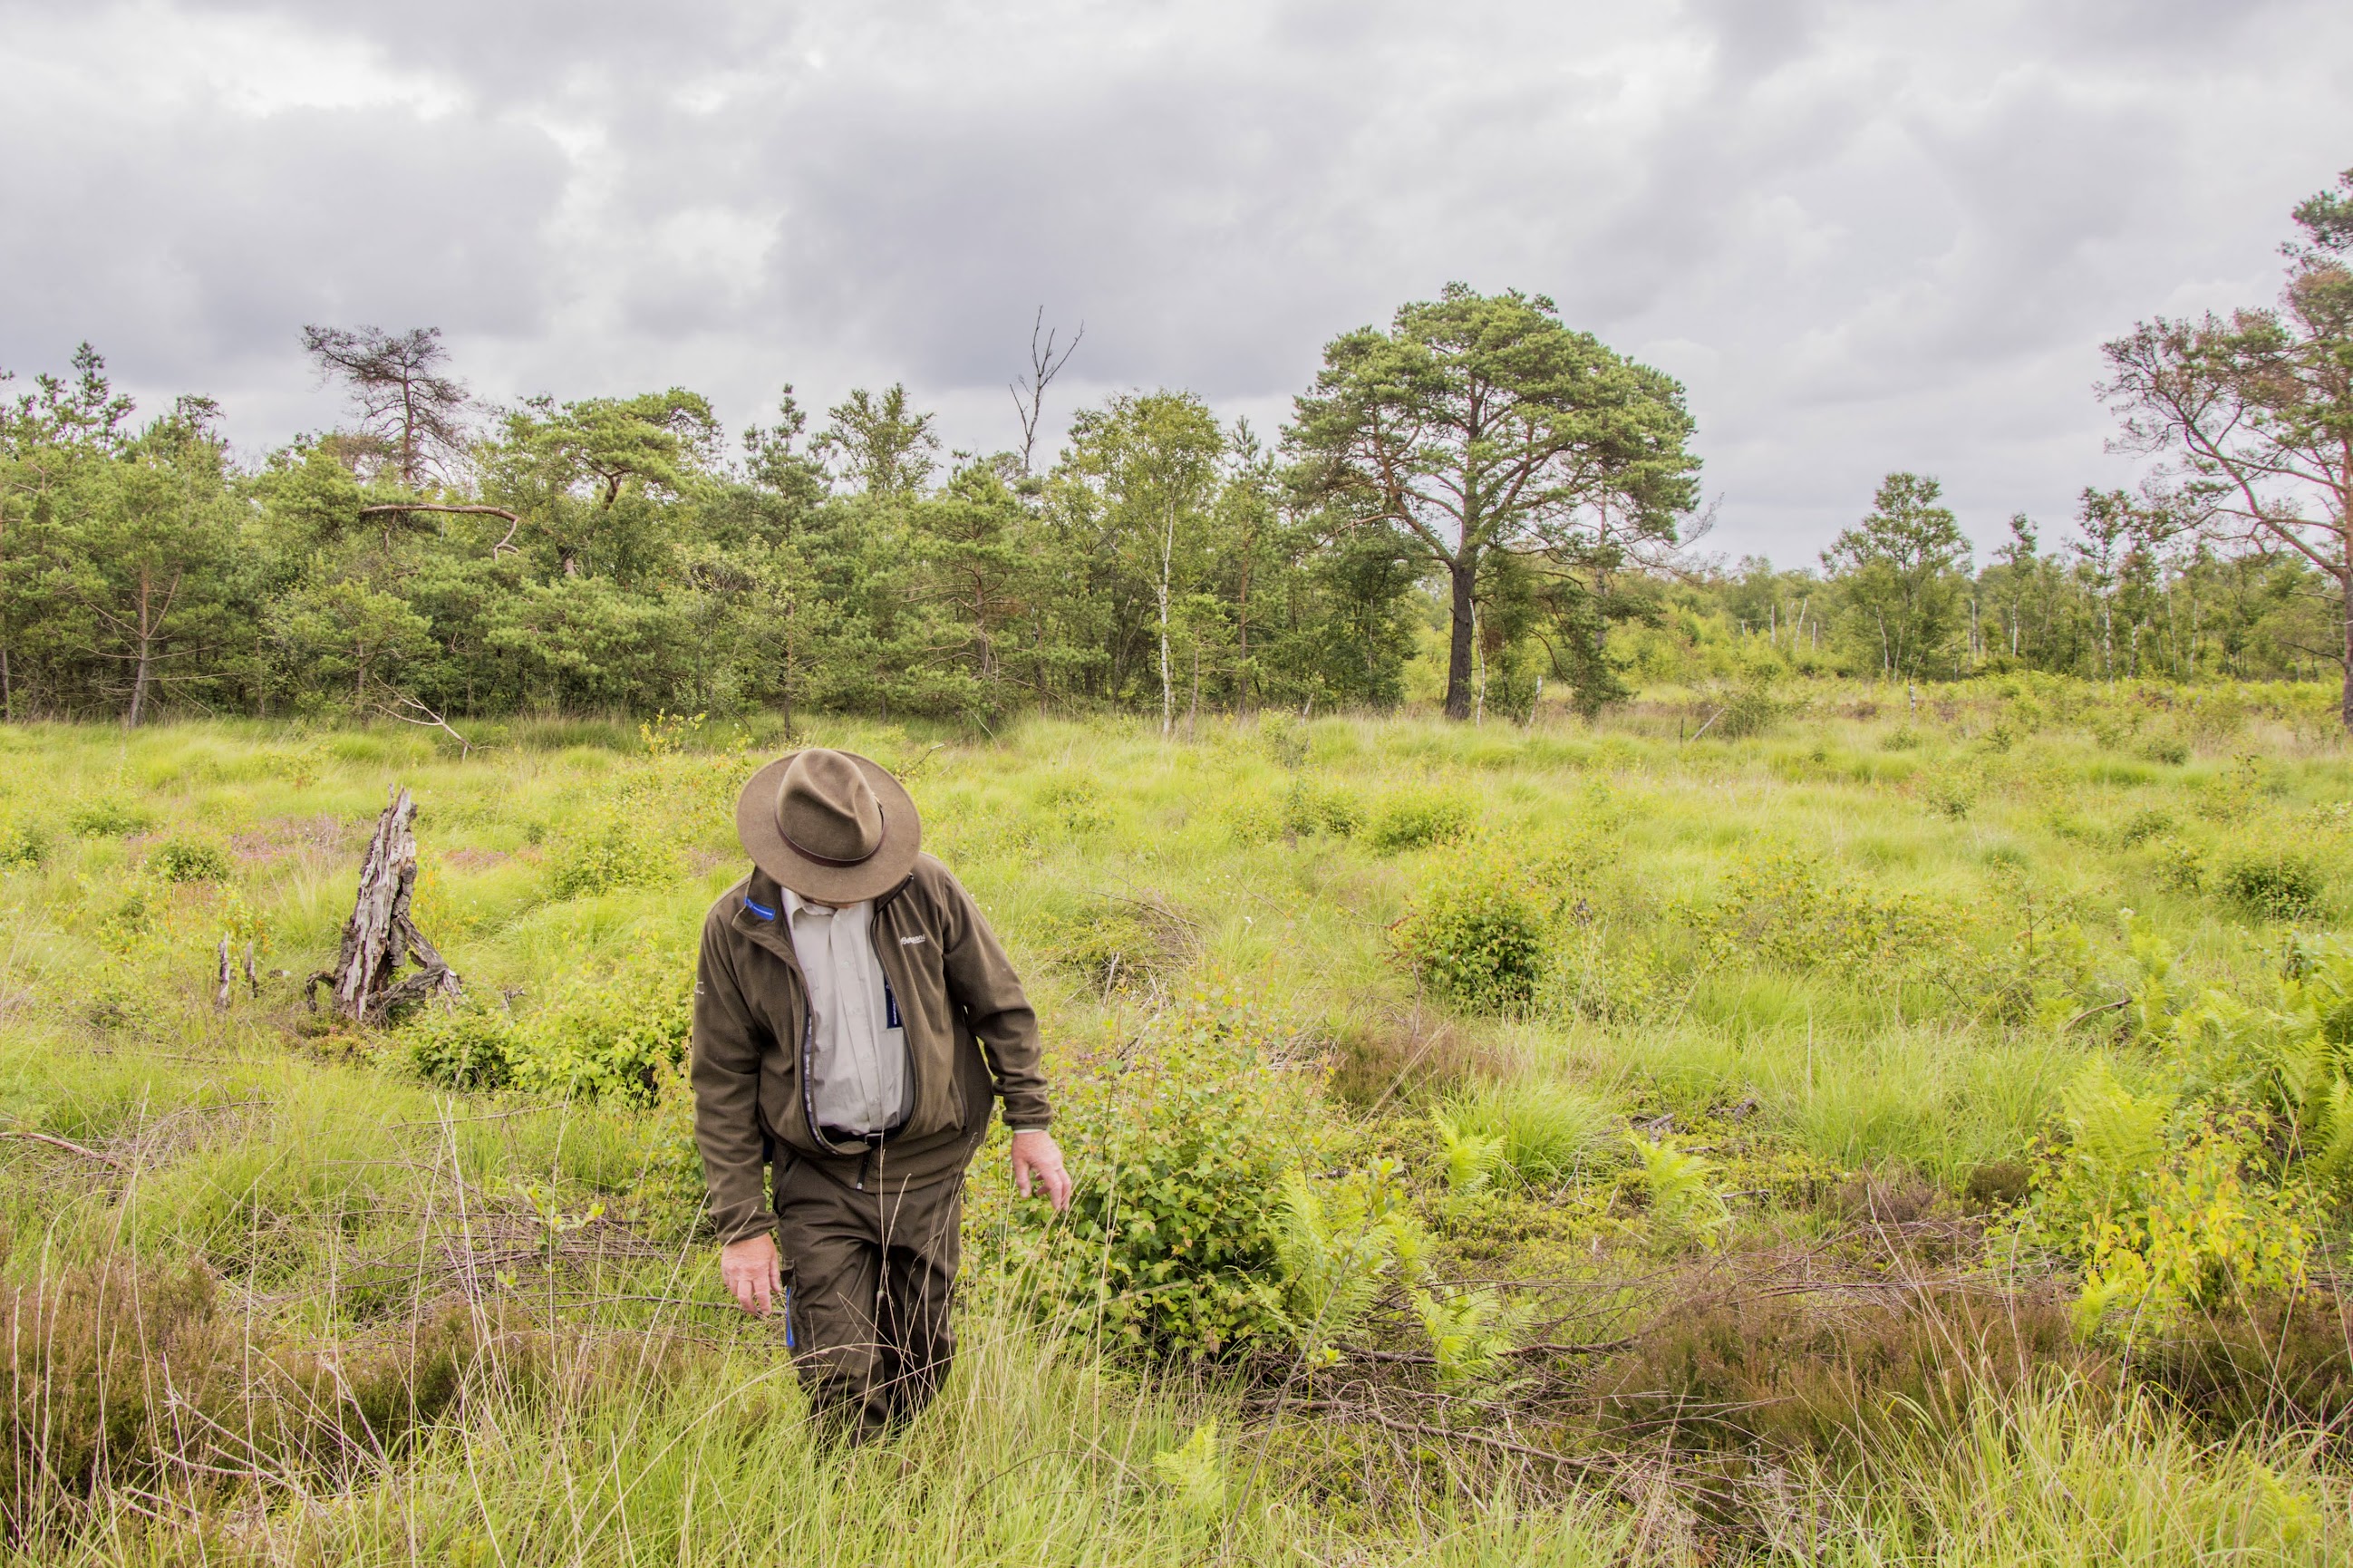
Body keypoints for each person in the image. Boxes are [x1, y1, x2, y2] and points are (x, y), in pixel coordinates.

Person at [691, 747, 1071, 1442]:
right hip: (819, 1178)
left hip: (927, 1168)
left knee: (923, 1355)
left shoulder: (925, 888)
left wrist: (1031, 1122)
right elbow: (721, 1081)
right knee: (839, 1370)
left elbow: (1002, 1007)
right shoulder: (737, 928)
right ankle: (847, 1501)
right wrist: (742, 1225)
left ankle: (897, 1480)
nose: (859, 885)